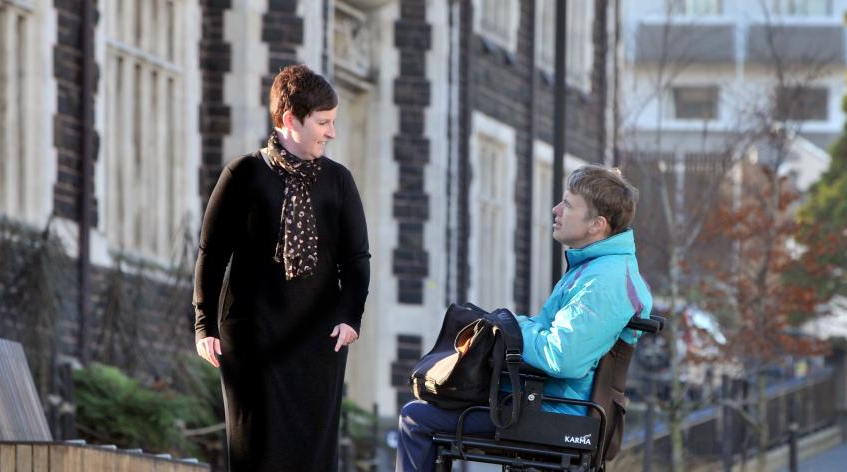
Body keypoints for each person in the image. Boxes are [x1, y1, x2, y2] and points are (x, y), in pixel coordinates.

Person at [397, 165, 652, 472]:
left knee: (417, 419)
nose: (556, 210)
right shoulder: (600, 270)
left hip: (555, 413)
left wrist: (513, 328)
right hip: (547, 403)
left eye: (569, 205)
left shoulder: (603, 282)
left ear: (597, 224)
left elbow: (564, 357)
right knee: (439, 394)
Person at [192, 64, 370, 471]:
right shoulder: (243, 175)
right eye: (323, 122)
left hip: (319, 341)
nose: (332, 132)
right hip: (252, 340)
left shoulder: (339, 181)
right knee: (255, 453)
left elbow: (356, 260)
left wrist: (350, 318)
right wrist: (204, 325)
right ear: (291, 119)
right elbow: (212, 252)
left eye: (333, 122)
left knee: (312, 457)